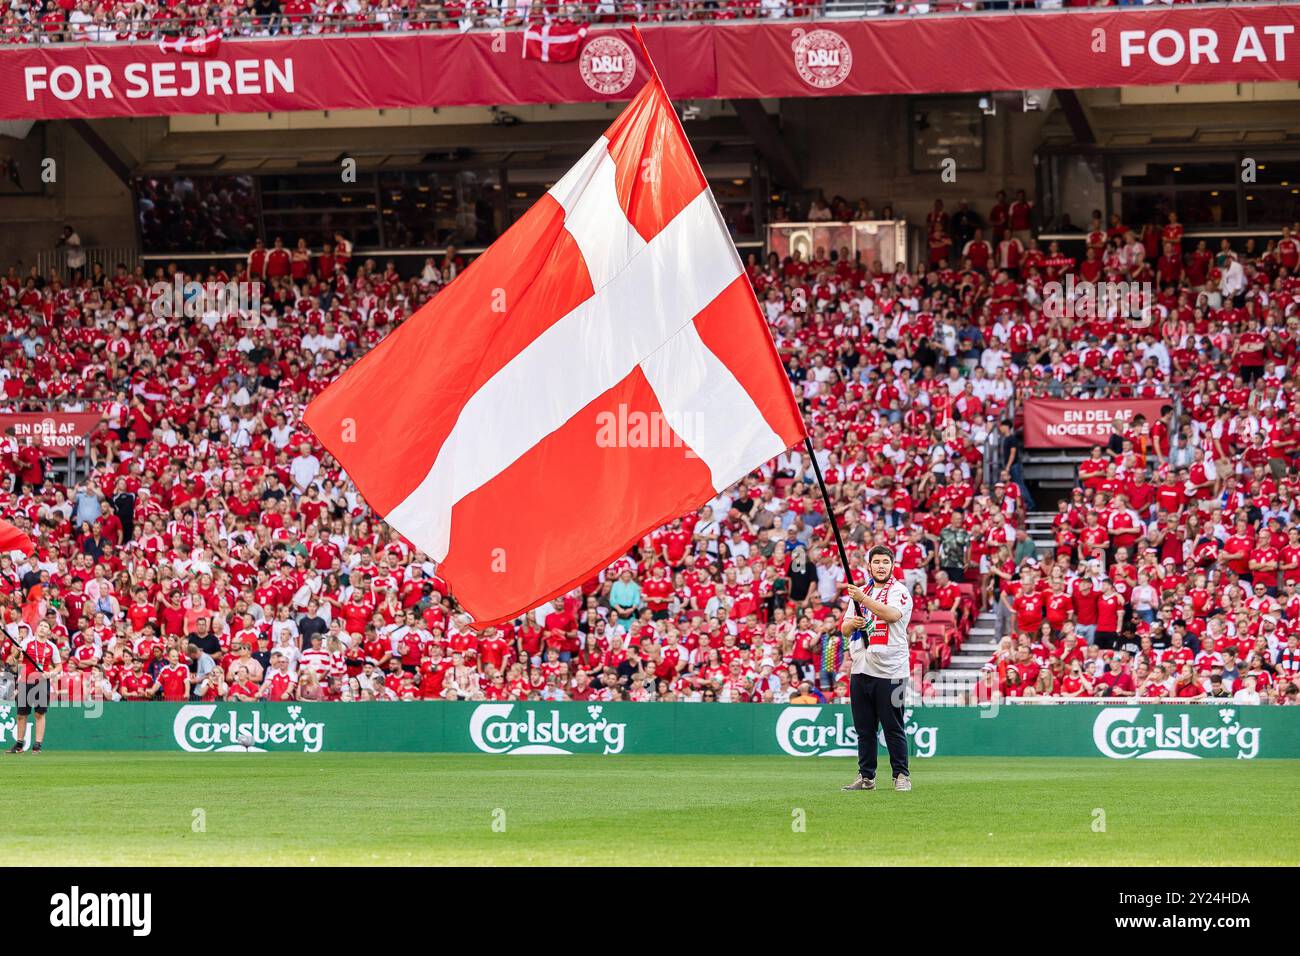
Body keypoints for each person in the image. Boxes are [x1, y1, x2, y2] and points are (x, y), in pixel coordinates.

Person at [840, 546, 914, 792]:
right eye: (876, 562)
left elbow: (892, 615)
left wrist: (863, 601)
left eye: (885, 562)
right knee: (864, 729)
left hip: (891, 670)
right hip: (861, 667)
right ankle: (866, 776)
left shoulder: (899, 591)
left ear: (892, 566)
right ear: (868, 566)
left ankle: (901, 775)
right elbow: (844, 629)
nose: (881, 566)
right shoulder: (860, 592)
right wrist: (853, 623)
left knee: (893, 728)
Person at [6, 621, 61, 754]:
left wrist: (51, 673)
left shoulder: (52, 647)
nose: (43, 628)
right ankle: (19, 745)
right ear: (37, 629)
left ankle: (37, 745)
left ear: (49, 631)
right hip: (25, 681)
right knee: (21, 714)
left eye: (46, 626)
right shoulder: (27, 643)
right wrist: (18, 651)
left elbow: (59, 666)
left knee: (39, 713)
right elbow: (14, 657)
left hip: (42, 682)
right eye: (41, 625)